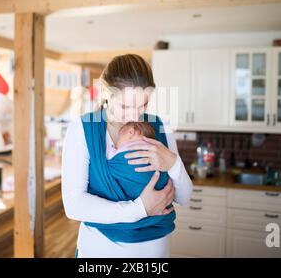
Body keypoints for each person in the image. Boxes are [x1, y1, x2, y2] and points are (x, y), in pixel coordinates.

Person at [62, 54, 193, 258]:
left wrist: (173, 163)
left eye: (143, 106)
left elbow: (183, 197)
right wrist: (140, 208)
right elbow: (74, 205)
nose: (134, 116)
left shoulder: (160, 127)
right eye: (125, 106)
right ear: (106, 93)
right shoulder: (82, 129)